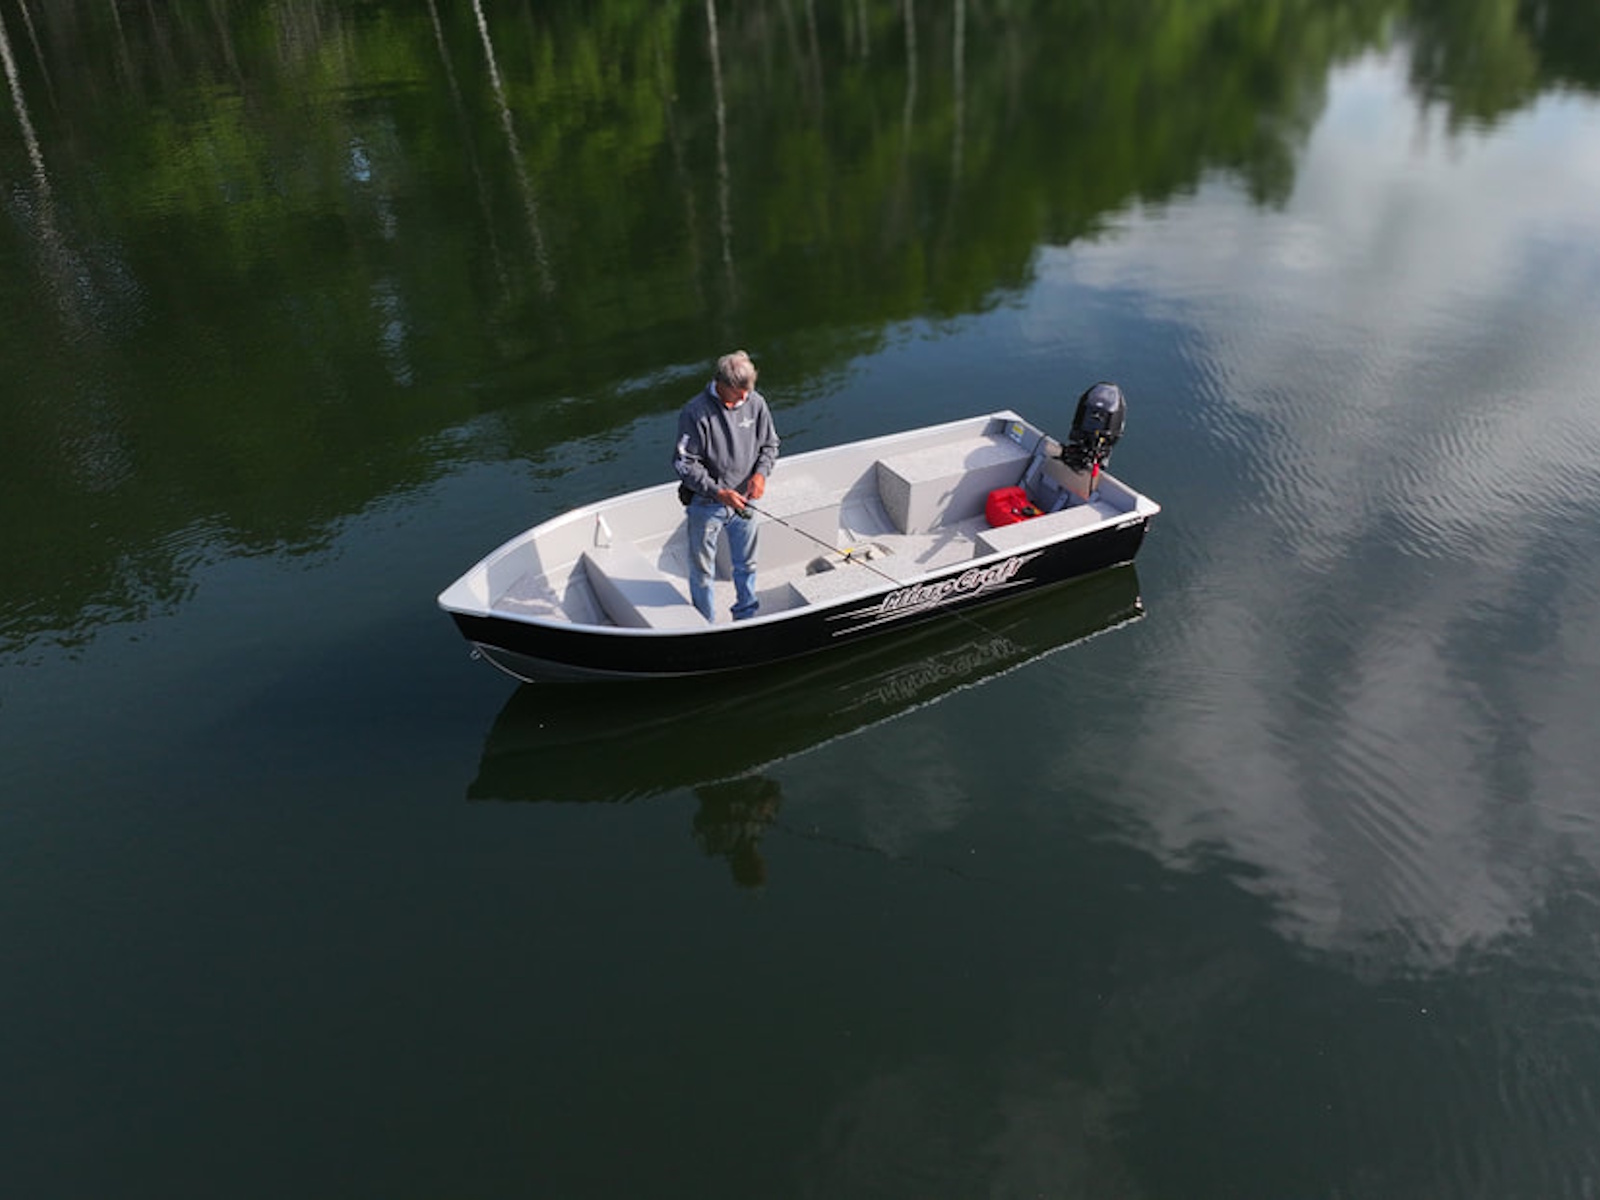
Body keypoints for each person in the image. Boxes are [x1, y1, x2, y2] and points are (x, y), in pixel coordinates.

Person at [673, 350, 780, 621]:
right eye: (738, 392)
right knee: (702, 571)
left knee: (747, 564)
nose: (744, 397)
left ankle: (746, 614)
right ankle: (705, 622)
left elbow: (770, 445)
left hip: (746, 501)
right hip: (707, 503)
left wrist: (761, 475)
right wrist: (718, 492)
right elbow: (684, 463)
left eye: (748, 391)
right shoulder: (695, 413)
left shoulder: (755, 402)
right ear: (720, 384)